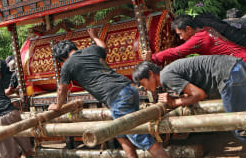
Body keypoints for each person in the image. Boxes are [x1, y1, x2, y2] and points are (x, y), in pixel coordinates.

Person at [48, 28, 169, 158]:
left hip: (116, 96)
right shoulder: (91, 50)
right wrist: (94, 36)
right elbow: (103, 46)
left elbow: (62, 90)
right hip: (128, 89)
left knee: (141, 138)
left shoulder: (67, 65)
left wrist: (58, 106)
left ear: (61, 58)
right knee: (121, 132)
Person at [154, 15, 246, 94]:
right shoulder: (207, 30)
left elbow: (177, 52)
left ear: (188, 29)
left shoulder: (198, 39)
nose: (180, 38)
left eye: (180, 34)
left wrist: (154, 58)